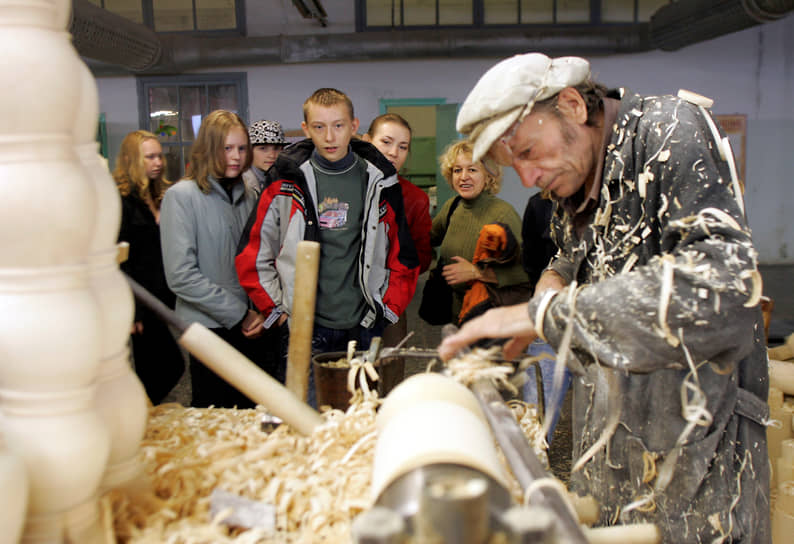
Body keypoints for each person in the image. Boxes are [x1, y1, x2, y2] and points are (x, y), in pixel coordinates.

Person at [439, 53, 769, 542]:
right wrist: (552, 280)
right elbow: (571, 257)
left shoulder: (668, 132)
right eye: (514, 166)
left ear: (572, 105)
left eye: (529, 152)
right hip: (614, 433)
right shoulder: (575, 174)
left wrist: (547, 314)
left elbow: (722, 284)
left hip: (700, 445)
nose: (528, 179)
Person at [235, 88, 420, 404]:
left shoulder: (378, 180)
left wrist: (385, 308)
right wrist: (277, 309)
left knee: (358, 416)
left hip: (362, 324)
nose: (330, 136)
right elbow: (253, 252)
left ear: (353, 126)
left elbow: (401, 256)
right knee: (303, 414)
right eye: (319, 127)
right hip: (305, 327)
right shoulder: (285, 181)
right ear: (306, 129)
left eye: (338, 125)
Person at [160, 109, 282, 409]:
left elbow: (259, 261)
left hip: (253, 327)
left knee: (254, 412)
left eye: (242, 148)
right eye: (227, 148)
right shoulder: (181, 197)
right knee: (216, 413)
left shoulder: (251, 196)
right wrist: (240, 314)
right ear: (208, 149)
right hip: (210, 330)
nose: (236, 156)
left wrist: (261, 312)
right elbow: (181, 276)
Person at [114, 130, 184, 404]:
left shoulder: (161, 196)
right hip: (139, 299)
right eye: (150, 157)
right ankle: (141, 417)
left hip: (161, 296)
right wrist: (132, 311)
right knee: (166, 366)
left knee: (164, 366)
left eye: (159, 156)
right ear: (132, 160)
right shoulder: (121, 201)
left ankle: (146, 414)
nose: (158, 162)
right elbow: (120, 261)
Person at [430, 139, 528, 326]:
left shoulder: (503, 213)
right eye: (457, 170)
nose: (463, 177)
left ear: (488, 175)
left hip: (494, 320)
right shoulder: (453, 207)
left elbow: (527, 272)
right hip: (459, 314)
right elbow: (426, 238)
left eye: (472, 170)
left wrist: (477, 272)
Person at [362, 113, 432, 346]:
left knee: (389, 368)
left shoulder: (415, 198)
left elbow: (422, 256)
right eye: (386, 142)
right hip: (341, 305)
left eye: (403, 147)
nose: (394, 152)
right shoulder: (344, 187)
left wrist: (390, 279)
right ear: (366, 141)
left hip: (390, 302)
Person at [243, 119, 288, 193]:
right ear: (249, 151)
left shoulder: (288, 179)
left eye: (276, 148)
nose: (272, 155)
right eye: (263, 148)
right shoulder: (241, 183)